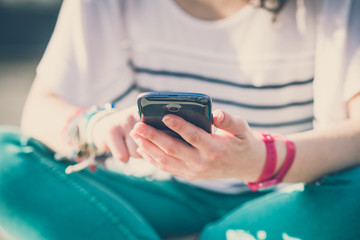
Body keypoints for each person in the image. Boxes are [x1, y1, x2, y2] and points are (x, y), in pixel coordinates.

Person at [0, 0, 359, 239]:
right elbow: (41, 109)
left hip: (291, 198)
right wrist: (96, 127)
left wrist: (262, 160)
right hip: (155, 196)